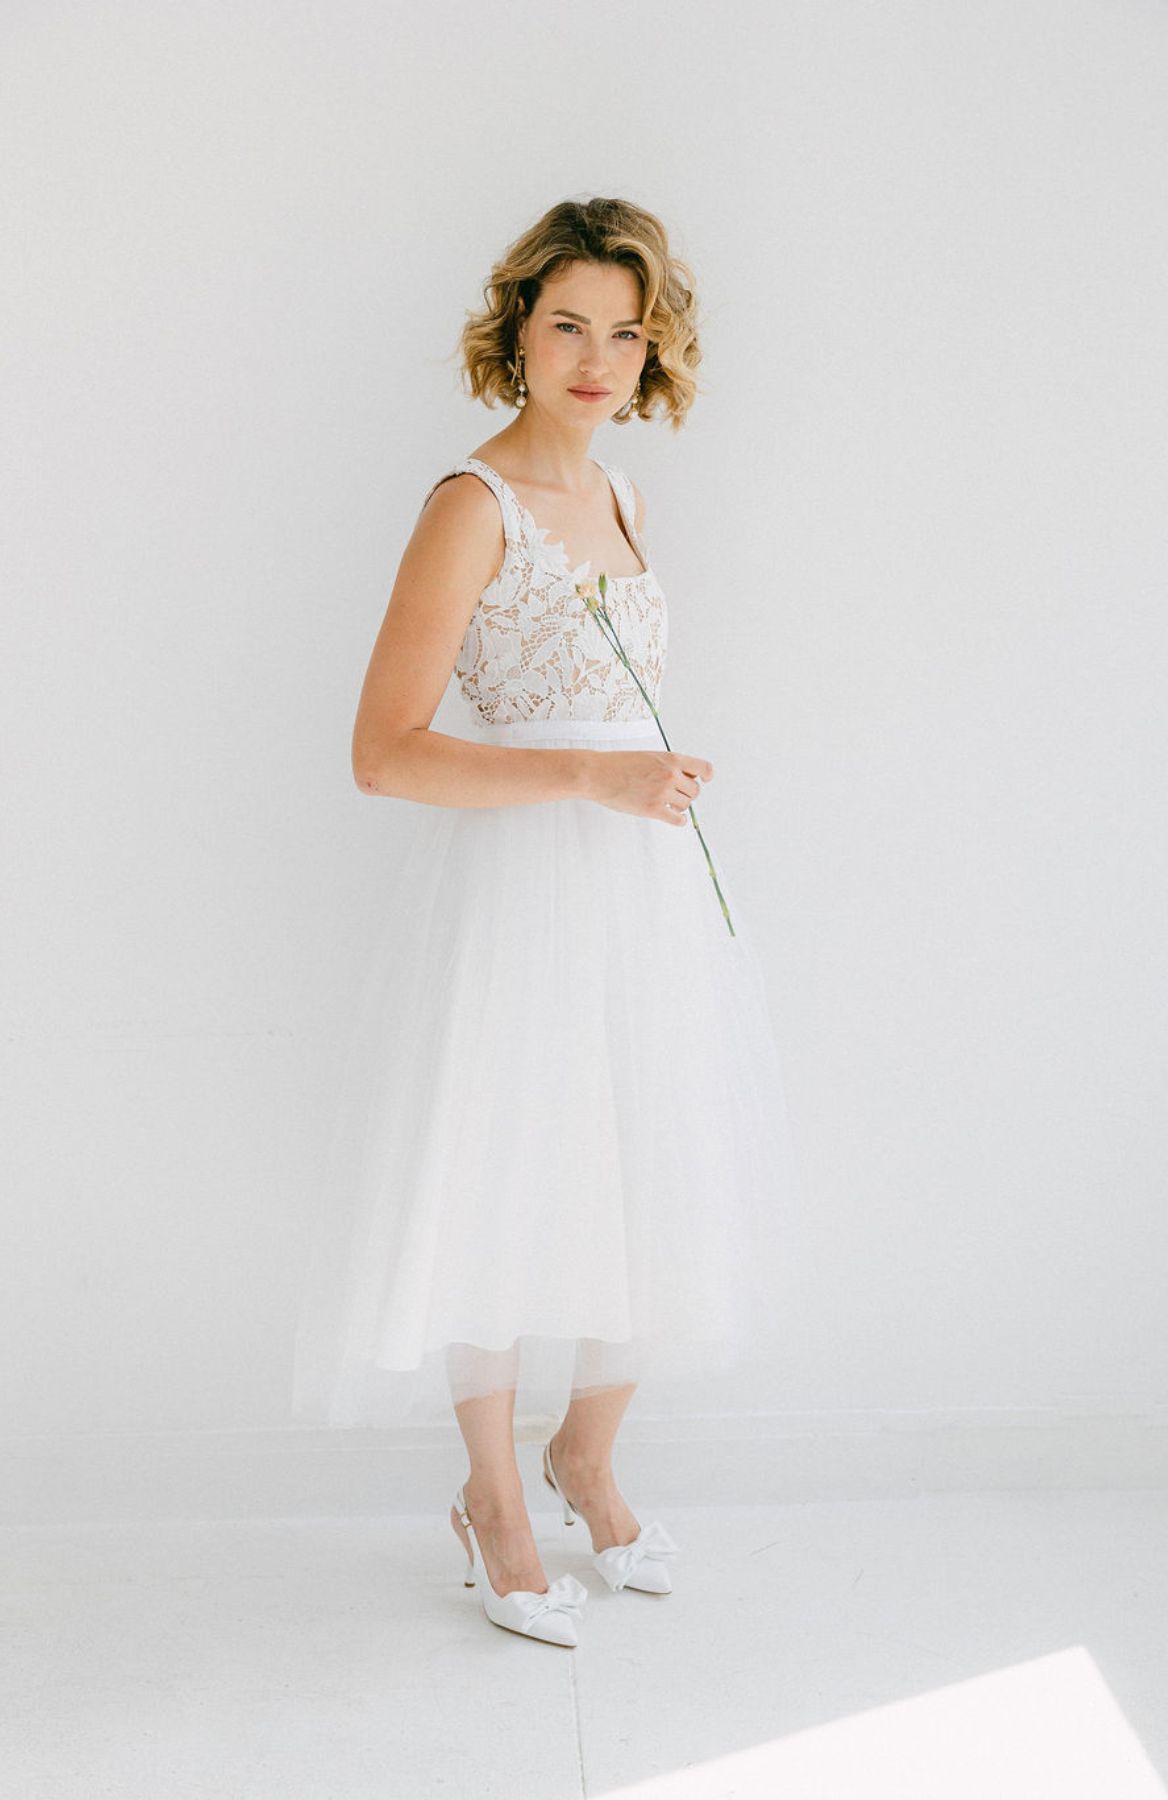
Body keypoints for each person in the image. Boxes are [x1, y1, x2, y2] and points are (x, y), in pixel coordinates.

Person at [290, 196, 797, 1647]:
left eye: (625, 334)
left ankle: (589, 1456)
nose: (596, 359)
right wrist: (590, 774)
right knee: (505, 1172)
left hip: (639, 881)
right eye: (568, 325)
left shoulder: (625, 494)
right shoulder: (472, 504)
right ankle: (496, 1501)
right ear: (516, 332)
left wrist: (643, 781)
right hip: (521, 888)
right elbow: (383, 753)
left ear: (654, 350)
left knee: (648, 1160)